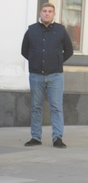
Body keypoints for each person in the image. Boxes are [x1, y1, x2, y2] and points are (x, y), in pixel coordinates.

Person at [21, 2, 73, 149]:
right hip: (36, 75)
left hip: (55, 76)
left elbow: (69, 50)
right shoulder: (31, 30)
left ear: (54, 14)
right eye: (44, 11)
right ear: (40, 13)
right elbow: (24, 50)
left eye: (50, 11)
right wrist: (35, 62)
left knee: (56, 107)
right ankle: (35, 137)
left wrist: (57, 62)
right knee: (36, 107)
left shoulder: (61, 30)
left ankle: (57, 138)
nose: (47, 13)